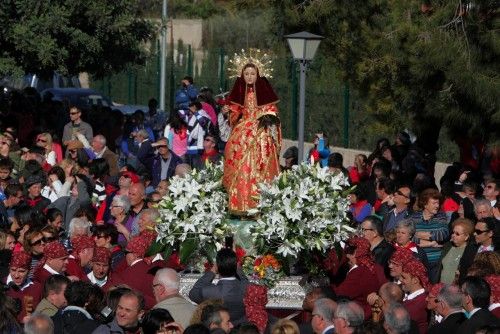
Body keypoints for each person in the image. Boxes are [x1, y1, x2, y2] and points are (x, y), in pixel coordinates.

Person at [222, 61, 281, 216]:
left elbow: (271, 109)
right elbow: (235, 112)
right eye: (246, 74)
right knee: (233, 150)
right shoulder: (240, 93)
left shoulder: (264, 93)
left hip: (260, 130)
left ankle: (260, 201)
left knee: (261, 161)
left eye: (252, 74)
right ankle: (240, 200)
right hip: (243, 129)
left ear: (258, 75)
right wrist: (228, 111)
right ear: (242, 75)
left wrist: (266, 117)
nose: (249, 77)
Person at [189, 248, 249, 325]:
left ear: (217, 266)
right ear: (236, 266)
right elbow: (244, 280)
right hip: (240, 329)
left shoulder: (208, 292)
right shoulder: (247, 288)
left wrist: (212, 271)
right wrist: (238, 268)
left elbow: (193, 293)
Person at [410, 188, 449, 283]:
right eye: (434, 203)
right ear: (425, 204)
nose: (437, 206)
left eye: (438, 203)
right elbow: (410, 237)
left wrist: (420, 234)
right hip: (418, 261)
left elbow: (443, 234)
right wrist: (431, 243)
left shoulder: (441, 216)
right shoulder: (414, 217)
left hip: (435, 262)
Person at [5, 251, 43, 323]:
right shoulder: (2, 286)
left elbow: (45, 312)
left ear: (29, 271)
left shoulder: (37, 287)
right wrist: (20, 322)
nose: (16, 276)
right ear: (9, 267)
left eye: (21, 271)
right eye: (13, 270)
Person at [439, 218, 477, 284]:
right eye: (453, 232)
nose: (453, 235)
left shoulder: (470, 251)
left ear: (466, 237)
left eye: (457, 234)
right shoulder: (447, 246)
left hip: (457, 289)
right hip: (441, 287)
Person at [400, 259, 429, 334]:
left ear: (415, 280)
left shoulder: (418, 303)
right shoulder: (409, 296)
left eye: (404, 277)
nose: (400, 280)